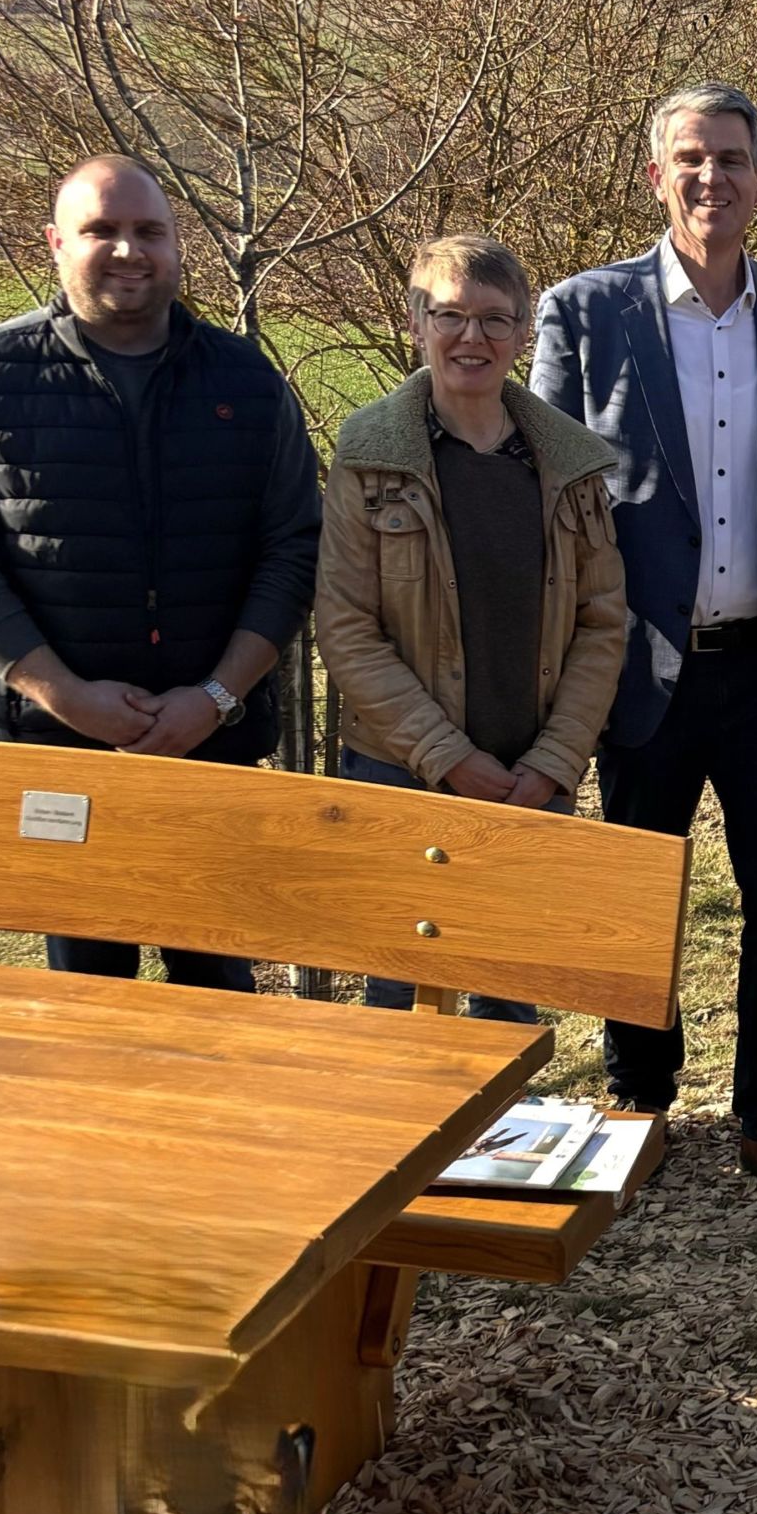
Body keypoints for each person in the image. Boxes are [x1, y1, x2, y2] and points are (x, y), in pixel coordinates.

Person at [530, 83, 757, 1197]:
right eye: (689, 159)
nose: (711, 177)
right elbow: (553, 499)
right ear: (656, 176)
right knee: (636, 897)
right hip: (638, 665)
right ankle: (637, 1104)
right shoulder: (585, 312)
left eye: (731, 158)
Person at [0, 155, 319, 988]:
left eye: (149, 230)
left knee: (218, 992)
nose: (128, 250)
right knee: (83, 1002)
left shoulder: (247, 381)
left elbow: (293, 548)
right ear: (54, 243)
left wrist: (215, 698)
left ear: (177, 243)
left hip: (212, 744)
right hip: (56, 753)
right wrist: (68, 697)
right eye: (101, 230)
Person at [315, 234, 628, 1020]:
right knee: (397, 985)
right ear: (417, 321)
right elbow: (346, 627)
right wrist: (447, 756)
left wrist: (555, 760)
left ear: (524, 331)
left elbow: (603, 621)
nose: (471, 338)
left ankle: (499, 1144)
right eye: (449, 314)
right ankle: (399, 1141)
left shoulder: (568, 464)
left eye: (494, 319)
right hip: (400, 766)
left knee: (509, 993)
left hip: (530, 776)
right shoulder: (368, 455)